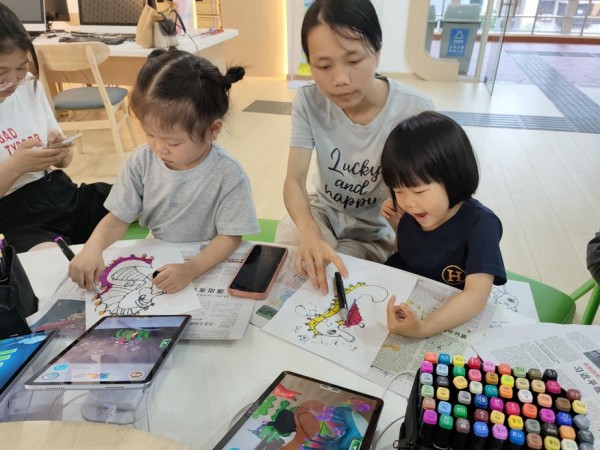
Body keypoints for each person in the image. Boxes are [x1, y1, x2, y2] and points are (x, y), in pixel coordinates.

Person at [68, 49, 259, 294]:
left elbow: (230, 236)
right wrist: (92, 248)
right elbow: (118, 218)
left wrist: (190, 269)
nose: (159, 148)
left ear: (212, 130)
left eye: (173, 142)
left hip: (207, 262)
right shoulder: (141, 161)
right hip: (160, 255)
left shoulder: (228, 173)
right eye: (149, 134)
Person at [276, 0, 434, 294]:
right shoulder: (309, 102)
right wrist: (309, 231)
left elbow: (432, 196)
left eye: (353, 60)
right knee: (290, 256)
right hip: (323, 213)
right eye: (324, 66)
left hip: (375, 230)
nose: (340, 79)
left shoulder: (414, 110)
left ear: (377, 51)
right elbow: (294, 180)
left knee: (343, 277)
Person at [381, 111, 506, 338]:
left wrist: (425, 328)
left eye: (419, 191)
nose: (408, 202)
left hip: (447, 314)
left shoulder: (482, 225)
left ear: (454, 177)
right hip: (404, 291)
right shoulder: (414, 211)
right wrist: (396, 223)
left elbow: (476, 296)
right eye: (398, 191)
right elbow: (415, 248)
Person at [0, 2, 110, 253]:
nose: (13, 81)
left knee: (134, 196)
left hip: (60, 193)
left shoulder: (29, 86)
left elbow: (64, 162)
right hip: (14, 219)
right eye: (1, 71)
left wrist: (59, 152)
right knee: (51, 260)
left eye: (21, 68)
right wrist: (16, 166)